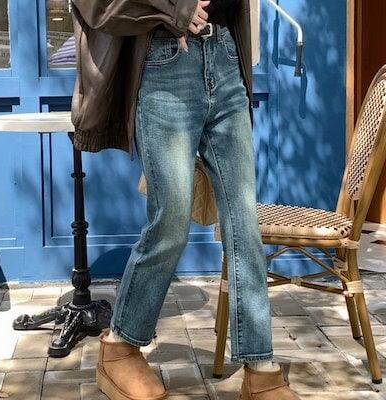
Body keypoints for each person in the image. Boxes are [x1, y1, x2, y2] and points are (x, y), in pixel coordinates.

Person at [69, 0, 300, 399]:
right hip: (165, 63)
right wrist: (175, 9)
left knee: (244, 222)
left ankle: (261, 370)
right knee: (171, 220)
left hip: (225, 56)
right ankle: (119, 348)